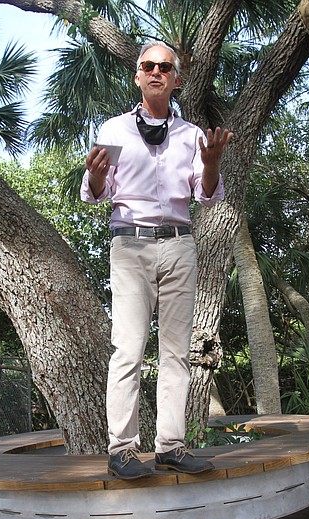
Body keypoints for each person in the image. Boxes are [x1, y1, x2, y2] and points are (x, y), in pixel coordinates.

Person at [81, 41, 233, 480]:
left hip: (180, 243)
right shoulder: (113, 129)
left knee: (176, 353)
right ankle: (122, 449)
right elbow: (98, 192)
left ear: (176, 79)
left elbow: (205, 194)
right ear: (137, 76)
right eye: (148, 66)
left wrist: (212, 162)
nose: (156, 72)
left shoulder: (192, 136)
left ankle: (171, 446)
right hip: (130, 244)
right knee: (127, 349)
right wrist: (93, 174)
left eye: (164, 67)